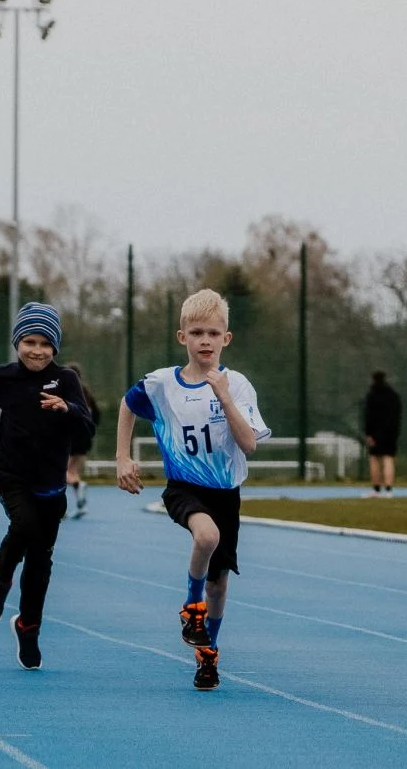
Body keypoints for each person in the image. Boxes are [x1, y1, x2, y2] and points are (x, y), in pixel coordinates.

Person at [115, 289, 270, 691]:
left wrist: (223, 396)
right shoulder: (162, 384)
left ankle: (207, 655)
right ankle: (190, 606)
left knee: (220, 583)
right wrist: (122, 457)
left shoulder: (236, 385)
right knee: (206, 535)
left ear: (226, 339)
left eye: (213, 333)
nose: (205, 341)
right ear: (181, 336)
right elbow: (127, 405)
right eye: (197, 332)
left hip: (225, 492)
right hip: (183, 486)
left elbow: (249, 444)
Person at [0, 302, 94, 671]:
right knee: (24, 525)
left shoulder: (66, 380)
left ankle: (28, 626)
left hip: (50, 483)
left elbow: (86, 430)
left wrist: (67, 409)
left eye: (44, 344)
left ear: (55, 347)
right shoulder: (3, 376)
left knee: (40, 560)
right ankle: (0, 577)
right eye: (29, 341)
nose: (36, 350)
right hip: (11, 476)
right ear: (17, 342)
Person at [63, 362, 100, 519]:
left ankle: (76, 488)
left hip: (70, 439)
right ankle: (81, 504)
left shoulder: (67, 393)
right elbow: (97, 416)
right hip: (85, 439)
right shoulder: (88, 394)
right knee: (72, 471)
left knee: (60, 473)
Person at [362, 370, 401, 498]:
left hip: (375, 434)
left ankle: (376, 489)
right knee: (388, 459)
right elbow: (397, 416)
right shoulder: (393, 396)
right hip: (391, 433)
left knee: (374, 460)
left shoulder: (372, 395)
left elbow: (368, 416)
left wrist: (369, 434)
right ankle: (389, 490)